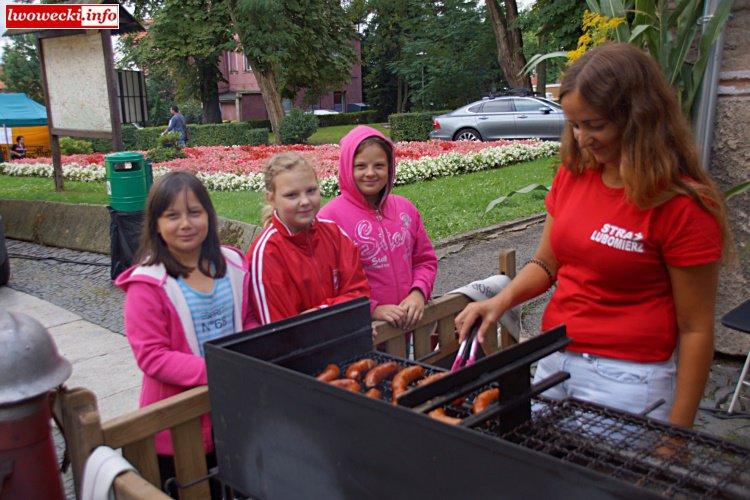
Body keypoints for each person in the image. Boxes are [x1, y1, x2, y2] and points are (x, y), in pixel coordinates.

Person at [455, 43, 729, 428]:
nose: (582, 138)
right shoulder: (574, 175)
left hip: (629, 380)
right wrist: (500, 301)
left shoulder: (682, 205)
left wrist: (678, 432)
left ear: (638, 118)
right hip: (555, 358)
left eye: (595, 125)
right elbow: (546, 263)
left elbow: (696, 329)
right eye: (575, 124)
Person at [116, 171, 257, 497]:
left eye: (195, 212)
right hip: (176, 424)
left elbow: (247, 318)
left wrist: (247, 352)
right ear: (156, 224)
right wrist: (217, 370)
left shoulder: (233, 265)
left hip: (229, 410)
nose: (186, 224)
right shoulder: (148, 284)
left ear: (209, 214)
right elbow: (152, 356)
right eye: (173, 216)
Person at [318, 126, 437, 331]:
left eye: (379, 165)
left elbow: (424, 260)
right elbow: (326, 284)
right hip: (365, 333)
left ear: (390, 168)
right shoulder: (329, 219)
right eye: (360, 166)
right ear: (346, 167)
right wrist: (370, 309)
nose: (370, 173)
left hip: (410, 328)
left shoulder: (405, 209)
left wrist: (418, 292)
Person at [248, 152, 370, 324]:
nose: (304, 201)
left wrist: (318, 312)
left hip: (346, 344)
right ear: (272, 199)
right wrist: (341, 318)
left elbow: (360, 296)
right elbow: (282, 331)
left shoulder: (335, 234)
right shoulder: (267, 253)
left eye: (311, 191)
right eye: (292, 195)